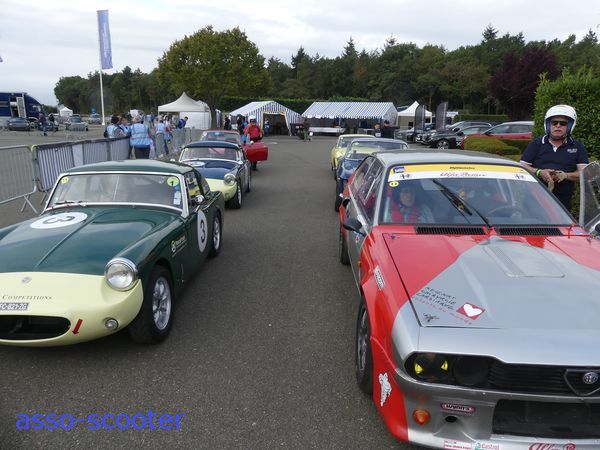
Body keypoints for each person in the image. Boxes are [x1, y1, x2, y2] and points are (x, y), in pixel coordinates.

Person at [520, 104, 589, 210]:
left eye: (563, 123)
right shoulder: (536, 144)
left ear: (570, 126)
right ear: (548, 124)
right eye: (554, 122)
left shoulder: (578, 146)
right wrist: (539, 172)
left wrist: (566, 175)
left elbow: (584, 173)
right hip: (533, 200)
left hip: (562, 204)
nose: (558, 126)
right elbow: (522, 167)